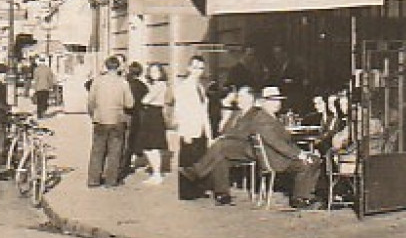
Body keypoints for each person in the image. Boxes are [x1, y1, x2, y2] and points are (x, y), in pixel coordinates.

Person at [182, 86, 321, 208]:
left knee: (220, 149)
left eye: (278, 100)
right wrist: (299, 154)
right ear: (264, 102)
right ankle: (301, 198)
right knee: (220, 149)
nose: (277, 103)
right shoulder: (262, 118)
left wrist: (299, 152)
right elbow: (276, 143)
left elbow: (278, 142)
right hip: (275, 159)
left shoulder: (264, 116)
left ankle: (199, 174)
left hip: (270, 154)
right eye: (273, 100)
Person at [85, 56, 134, 188]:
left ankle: (93, 179)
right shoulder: (123, 83)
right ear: (118, 67)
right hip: (117, 120)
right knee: (115, 151)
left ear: (106, 67)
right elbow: (130, 104)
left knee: (97, 150)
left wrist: (93, 115)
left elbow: (90, 102)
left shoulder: (97, 81)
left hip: (100, 119)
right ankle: (111, 180)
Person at [172, 55, 214, 200]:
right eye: (195, 68)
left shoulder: (200, 87)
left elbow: (204, 112)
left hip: (200, 128)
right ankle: (186, 192)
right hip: (189, 129)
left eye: (201, 68)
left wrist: (208, 134)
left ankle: (198, 189)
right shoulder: (183, 87)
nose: (198, 71)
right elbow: (180, 111)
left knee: (199, 159)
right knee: (187, 159)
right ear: (189, 68)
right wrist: (184, 131)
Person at [135, 62, 171, 185]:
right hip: (152, 114)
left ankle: (157, 173)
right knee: (149, 146)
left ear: (161, 73)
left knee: (153, 146)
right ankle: (156, 172)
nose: (153, 74)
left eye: (156, 71)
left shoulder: (160, 85)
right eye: (151, 71)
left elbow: (146, 99)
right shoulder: (156, 85)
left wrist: (145, 96)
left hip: (154, 114)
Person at [123, 62, 149, 180]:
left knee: (124, 140)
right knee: (131, 140)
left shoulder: (124, 82)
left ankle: (123, 164)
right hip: (137, 114)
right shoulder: (142, 86)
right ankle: (126, 163)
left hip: (123, 113)